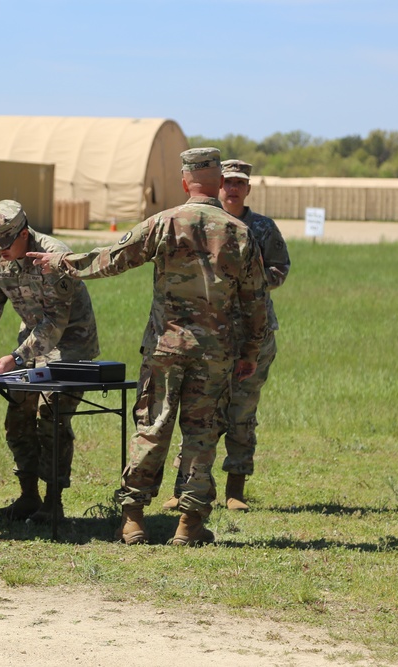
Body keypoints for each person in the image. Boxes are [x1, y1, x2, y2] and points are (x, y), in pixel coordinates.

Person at [29, 148, 267, 546]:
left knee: (152, 427)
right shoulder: (240, 233)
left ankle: (133, 519)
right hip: (215, 353)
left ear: (184, 182)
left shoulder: (165, 223)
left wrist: (62, 263)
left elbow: (114, 258)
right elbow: (256, 302)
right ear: (219, 183)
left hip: (165, 347)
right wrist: (249, 353)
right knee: (202, 434)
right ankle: (189, 525)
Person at [161, 159, 290, 512]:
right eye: (227, 182)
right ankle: (185, 487)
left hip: (253, 331)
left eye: (239, 183)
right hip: (209, 331)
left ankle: (236, 489)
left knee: (242, 412)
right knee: (197, 410)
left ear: (248, 188)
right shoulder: (203, 222)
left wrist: (248, 281)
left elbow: (281, 268)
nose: (233, 188)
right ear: (217, 185)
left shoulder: (262, 228)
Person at [0, 200, 99, 524]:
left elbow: (56, 322)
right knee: (17, 415)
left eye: (6, 243)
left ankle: (54, 503)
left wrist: (16, 357)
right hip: (32, 347)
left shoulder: (55, 257)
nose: (0, 251)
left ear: (24, 233)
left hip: (71, 347)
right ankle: (28, 496)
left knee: (51, 417)